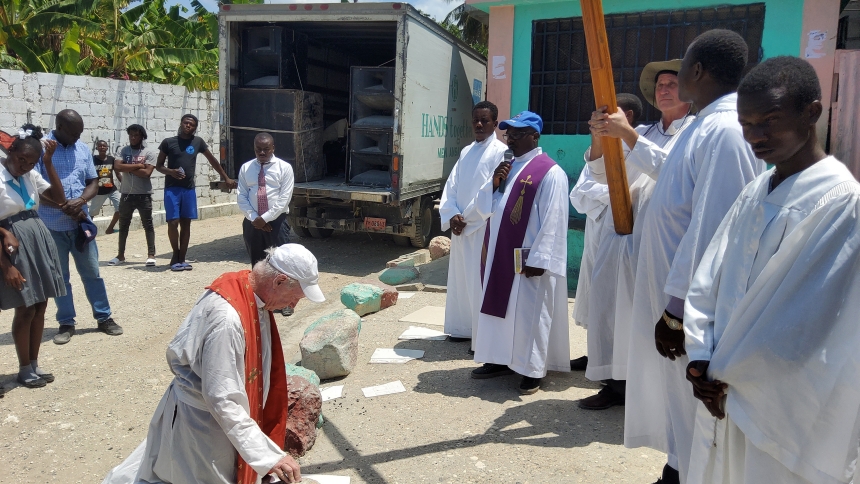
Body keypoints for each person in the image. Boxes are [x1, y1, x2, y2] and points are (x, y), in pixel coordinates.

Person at [684, 56, 860, 484]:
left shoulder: (842, 204)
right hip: (723, 385)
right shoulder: (755, 189)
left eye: (770, 120)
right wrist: (701, 356)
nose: (754, 136)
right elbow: (709, 280)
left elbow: (810, 325)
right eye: (746, 123)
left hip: (778, 403)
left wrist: (728, 372)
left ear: (812, 113)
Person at [621, 30, 765, 484]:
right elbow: (671, 178)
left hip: (694, 311)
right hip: (677, 301)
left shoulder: (724, 131)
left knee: (698, 397)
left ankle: (692, 473)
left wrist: (679, 310)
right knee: (679, 400)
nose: (675, 78)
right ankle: (678, 466)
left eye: (680, 68)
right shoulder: (702, 126)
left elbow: (714, 230)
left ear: (697, 71)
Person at [102, 244, 324, 484]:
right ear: (279, 281)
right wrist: (268, 457)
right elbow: (222, 398)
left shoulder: (249, 289)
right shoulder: (227, 320)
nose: (292, 306)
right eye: (294, 298)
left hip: (219, 421)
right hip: (202, 425)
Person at [570, 62, 696, 412]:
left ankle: (655, 394)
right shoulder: (646, 131)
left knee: (652, 319)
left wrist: (625, 134)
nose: (664, 89)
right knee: (614, 311)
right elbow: (600, 173)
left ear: (688, 89)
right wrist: (600, 137)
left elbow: (670, 172)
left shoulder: (695, 133)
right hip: (622, 235)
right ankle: (616, 384)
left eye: (672, 83)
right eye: (659, 85)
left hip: (664, 243)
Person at [468, 111, 570, 395]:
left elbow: (555, 220)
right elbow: (484, 207)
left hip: (527, 260)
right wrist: (494, 184)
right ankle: (499, 359)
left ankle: (531, 370)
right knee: (500, 312)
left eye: (517, 133)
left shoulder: (550, 172)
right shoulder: (507, 167)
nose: (509, 137)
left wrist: (541, 260)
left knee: (529, 315)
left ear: (534, 136)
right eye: (508, 132)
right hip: (500, 254)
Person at [38, 109, 123, 345]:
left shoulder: (83, 149)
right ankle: (66, 322)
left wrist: (82, 201)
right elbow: (35, 186)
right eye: (75, 133)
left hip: (80, 224)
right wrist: (60, 204)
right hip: (52, 225)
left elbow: (92, 181)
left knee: (92, 273)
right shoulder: (41, 149)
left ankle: (104, 317)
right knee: (60, 277)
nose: (78, 137)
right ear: (61, 128)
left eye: (80, 133)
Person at [0, 125, 67, 388]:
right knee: (25, 306)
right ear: (11, 149)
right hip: (13, 242)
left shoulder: (31, 174)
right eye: (21, 159)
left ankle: (35, 363)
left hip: (37, 235)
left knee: (40, 304)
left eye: (30, 162)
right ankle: (24, 367)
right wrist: (7, 267)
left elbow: (59, 199)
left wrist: (47, 163)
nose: (24, 166)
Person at [439, 100, 507, 348]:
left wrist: (467, 217)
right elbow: (452, 185)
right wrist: (452, 213)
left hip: (481, 225)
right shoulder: (466, 151)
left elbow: (495, 189)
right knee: (461, 279)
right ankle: (462, 327)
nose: (479, 124)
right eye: (476, 119)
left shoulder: (500, 152)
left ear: (495, 123)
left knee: (479, 280)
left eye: (485, 120)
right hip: (462, 225)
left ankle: (481, 337)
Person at [156, 114, 236, 272]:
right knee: (173, 222)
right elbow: (158, 166)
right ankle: (175, 255)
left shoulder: (197, 142)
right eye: (186, 123)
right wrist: (171, 171)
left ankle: (182, 259)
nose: (188, 126)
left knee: (186, 223)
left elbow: (212, 160)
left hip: (189, 189)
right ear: (181, 123)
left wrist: (225, 177)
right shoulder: (168, 143)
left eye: (192, 125)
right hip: (172, 189)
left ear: (195, 127)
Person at [237, 132, 295, 318]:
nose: (262, 152)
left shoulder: (284, 168)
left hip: (276, 221)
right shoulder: (246, 168)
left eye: (265, 149)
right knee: (257, 264)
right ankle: (259, 301)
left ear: (273, 148)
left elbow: (284, 198)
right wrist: (255, 218)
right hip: (253, 222)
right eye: (258, 149)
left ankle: (284, 303)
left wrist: (266, 218)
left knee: (280, 264)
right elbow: (242, 196)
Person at [109, 125, 157, 267]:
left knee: (148, 225)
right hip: (126, 195)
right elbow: (117, 167)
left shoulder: (149, 152)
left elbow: (147, 173)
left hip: (144, 195)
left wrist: (127, 166)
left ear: (142, 136)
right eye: (131, 135)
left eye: (136, 135)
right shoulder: (123, 150)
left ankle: (151, 255)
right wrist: (138, 166)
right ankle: (120, 255)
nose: (133, 138)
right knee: (123, 225)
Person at [89, 139, 121, 234]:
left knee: (121, 208)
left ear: (107, 148)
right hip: (99, 191)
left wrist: (124, 184)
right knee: (92, 213)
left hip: (112, 189)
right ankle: (88, 232)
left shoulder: (111, 159)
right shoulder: (93, 159)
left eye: (104, 146)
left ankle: (110, 228)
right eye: (100, 146)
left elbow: (118, 174)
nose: (102, 147)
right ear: (97, 148)